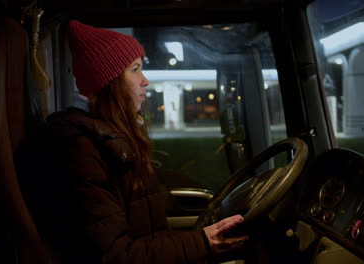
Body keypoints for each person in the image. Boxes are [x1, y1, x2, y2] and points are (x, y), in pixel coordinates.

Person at [16, 20, 248, 263]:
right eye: (135, 69)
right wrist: (201, 243)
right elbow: (116, 255)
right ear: (111, 81)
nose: (145, 80)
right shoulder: (78, 148)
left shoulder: (103, 137)